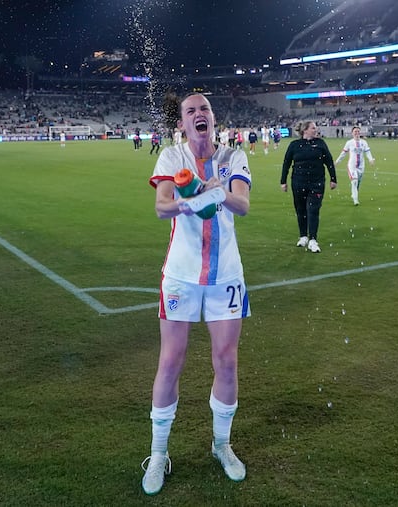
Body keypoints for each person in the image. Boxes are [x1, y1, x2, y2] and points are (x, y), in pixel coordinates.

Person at [142, 93, 251, 495]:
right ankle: (158, 453)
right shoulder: (172, 158)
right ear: (183, 125)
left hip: (225, 276)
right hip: (182, 276)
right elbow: (161, 206)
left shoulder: (233, 156)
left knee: (226, 360)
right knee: (170, 361)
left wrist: (219, 191)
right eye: (191, 111)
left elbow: (243, 205)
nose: (198, 114)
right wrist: (195, 199)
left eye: (203, 109)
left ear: (213, 118)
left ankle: (222, 445)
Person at [280, 120, 337, 253]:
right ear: (305, 130)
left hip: (316, 182)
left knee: (313, 210)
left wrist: (333, 179)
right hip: (298, 182)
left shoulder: (320, 144)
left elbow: (329, 161)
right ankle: (303, 236)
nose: (315, 130)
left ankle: (313, 239)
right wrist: (283, 181)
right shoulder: (294, 145)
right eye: (313, 128)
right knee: (301, 210)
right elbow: (286, 163)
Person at [334, 126, 375, 206]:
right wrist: (337, 161)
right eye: (355, 132)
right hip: (352, 165)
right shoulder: (349, 143)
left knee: (358, 183)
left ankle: (354, 194)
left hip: (361, 166)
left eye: (358, 131)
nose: (357, 133)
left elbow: (367, 152)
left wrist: (370, 159)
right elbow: (343, 153)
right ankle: (355, 200)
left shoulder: (364, 142)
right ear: (352, 133)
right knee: (354, 181)